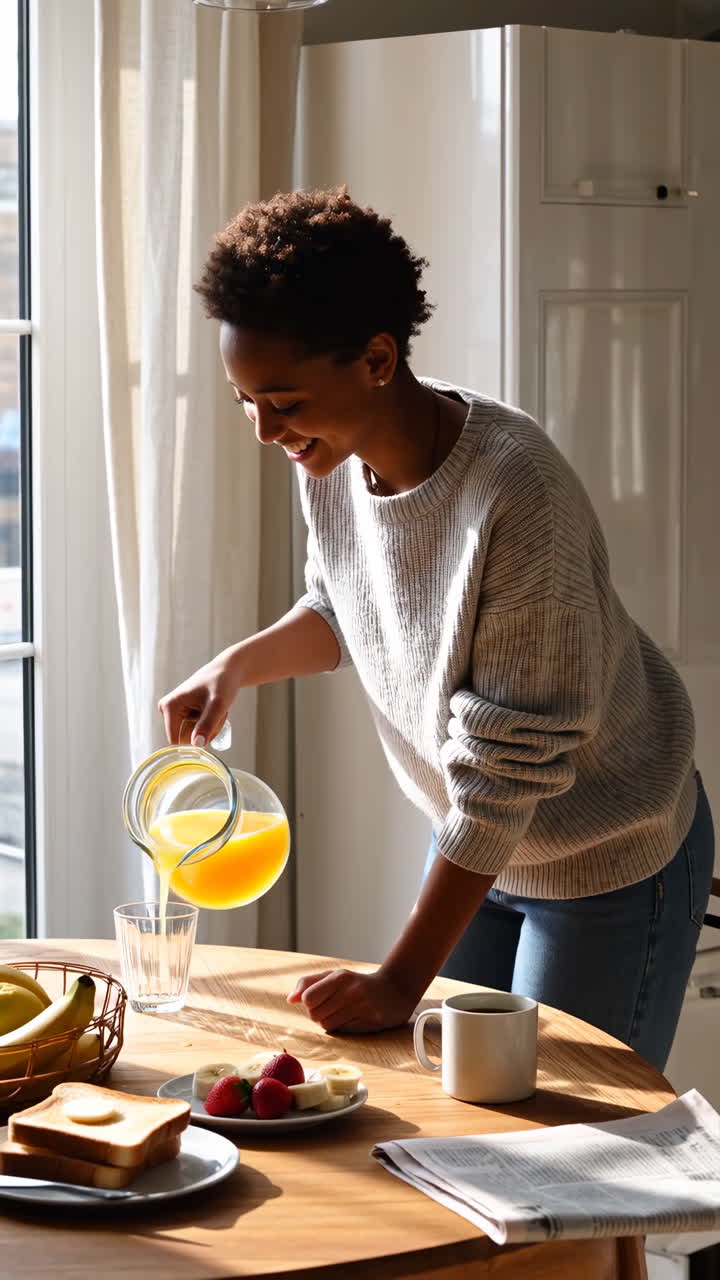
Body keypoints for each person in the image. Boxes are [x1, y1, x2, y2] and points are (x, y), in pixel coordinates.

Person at [159, 187, 714, 1071]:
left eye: (284, 401)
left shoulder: (516, 494)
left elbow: (507, 765)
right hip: (477, 839)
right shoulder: (332, 456)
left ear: (376, 359)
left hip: (604, 859)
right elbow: (348, 602)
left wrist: (396, 979)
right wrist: (238, 665)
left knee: (575, 1159)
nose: (266, 430)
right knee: (452, 1115)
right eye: (246, 402)